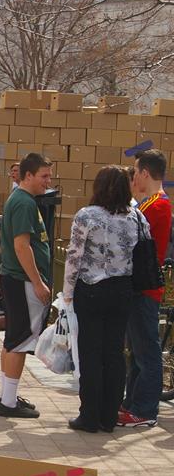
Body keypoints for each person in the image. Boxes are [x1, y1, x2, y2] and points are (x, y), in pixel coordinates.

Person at [63, 166, 140, 433]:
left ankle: (89, 415)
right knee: (115, 353)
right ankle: (110, 416)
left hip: (92, 288)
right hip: (123, 289)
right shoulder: (136, 217)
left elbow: (74, 256)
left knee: (91, 353)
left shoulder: (87, 215)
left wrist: (68, 292)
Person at [0, 153, 53, 419]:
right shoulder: (24, 203)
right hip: (21, 280)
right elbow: (22, 246)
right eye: (44, 176)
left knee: (13, 339)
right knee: (20, 341)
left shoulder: (24, 200)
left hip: (16, 279)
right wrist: (38, 282)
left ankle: (7, 396)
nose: (48, 181)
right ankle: (8, 403)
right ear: (27, 176)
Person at [121, 149, 173, 428]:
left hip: (145, 287)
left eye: (136, 171)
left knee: (146, 353)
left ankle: (144, 409)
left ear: (144, 173)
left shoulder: (157, 205)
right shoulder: (151, 203)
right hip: (140, 287)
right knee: (138, 352)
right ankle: (132, 404)